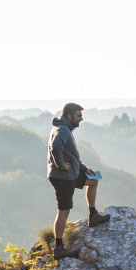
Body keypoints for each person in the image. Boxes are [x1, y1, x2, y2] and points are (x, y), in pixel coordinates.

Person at [47, 102, 109, 261]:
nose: (81, 119)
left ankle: (93, 215)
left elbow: (71, 155)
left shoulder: (64, 128)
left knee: (94, 179)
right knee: (64, 210)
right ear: (69, 116)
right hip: (62, 177)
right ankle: (59, 249)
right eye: (79, 116)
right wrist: (61, 165)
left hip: (69, 173)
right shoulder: (63, 130)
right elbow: (55, 148)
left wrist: (83, 168)